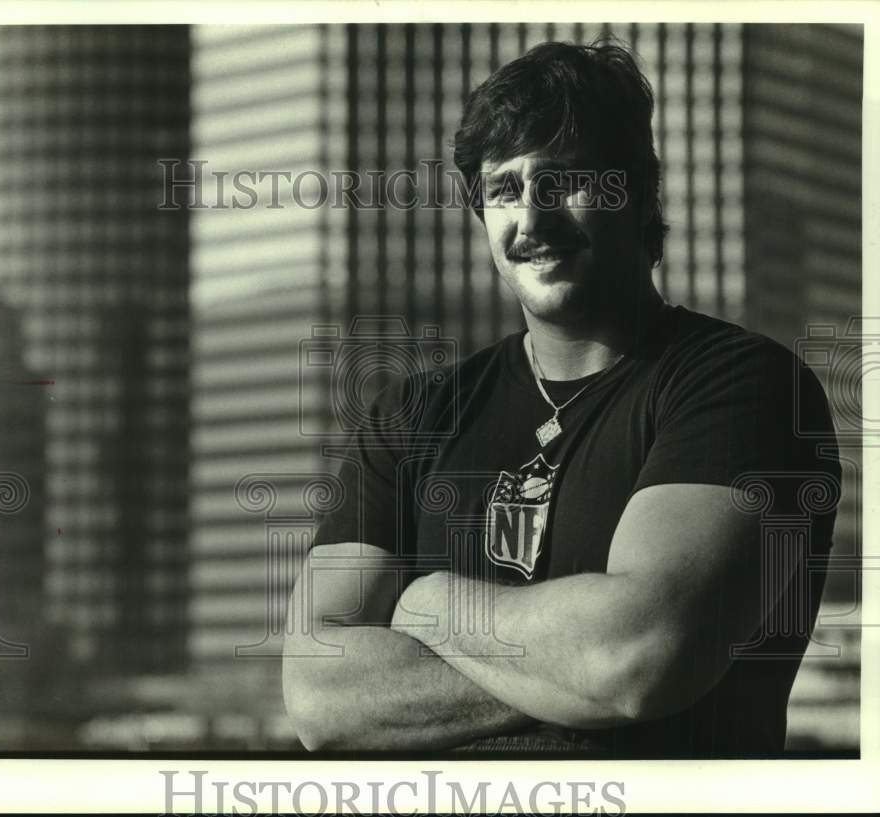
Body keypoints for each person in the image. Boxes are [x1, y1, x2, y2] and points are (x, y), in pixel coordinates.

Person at [281, 40, 841, 758]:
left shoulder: (743, 384)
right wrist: (564, 670)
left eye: (565, 180)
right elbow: (319, 696)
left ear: (638, 191)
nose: (532, 219)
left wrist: (428, 604)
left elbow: (635, 658)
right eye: (505, 190)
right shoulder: (409, 418)